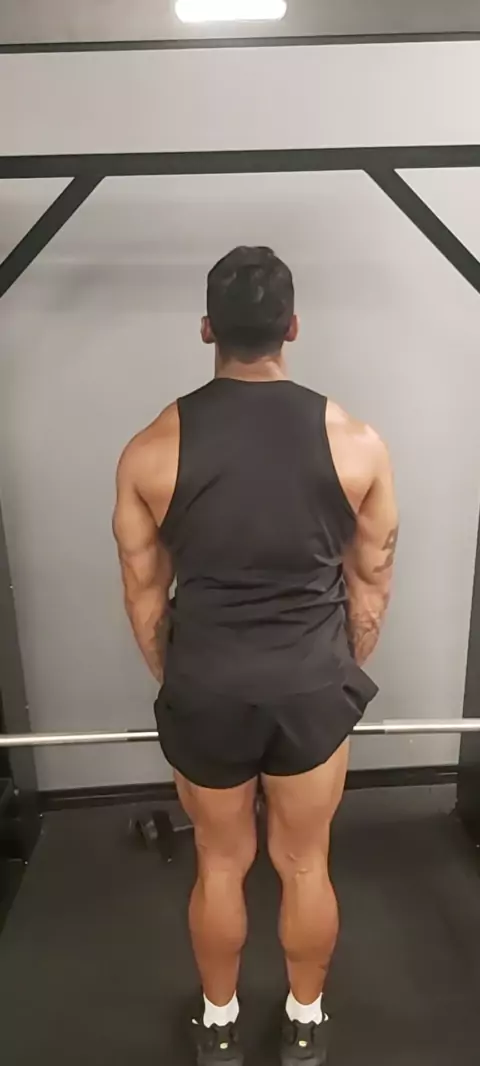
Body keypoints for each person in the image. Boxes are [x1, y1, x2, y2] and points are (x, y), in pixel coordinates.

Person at [113, 246, 398, 1066]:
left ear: (207, 328)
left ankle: (219, 1022)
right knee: (305, 862)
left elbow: (144, 598)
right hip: (311, 685)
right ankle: (305, 1021)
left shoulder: (150, 448)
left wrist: (186, 679)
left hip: (208, 685)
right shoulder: (357, 442)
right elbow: (370, 588)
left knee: (219, 860)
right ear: (292, 327)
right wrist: (330, 672)